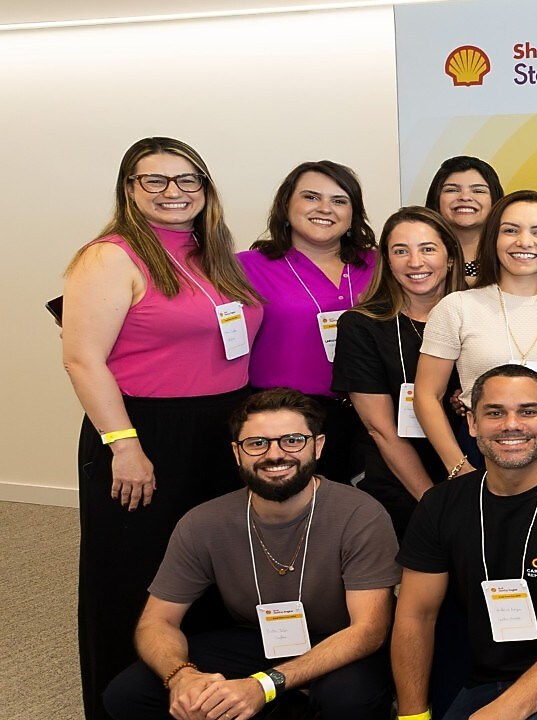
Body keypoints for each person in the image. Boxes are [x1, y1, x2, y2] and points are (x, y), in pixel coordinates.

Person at [62, 136, 264, 720]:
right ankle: (124, 704)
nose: (173, 193)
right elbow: (82, 358)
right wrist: (123, 445)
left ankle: (206, 699)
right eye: (155, 181)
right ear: (129, 189)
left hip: (222, 429)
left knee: (213, 575)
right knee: (139, 577)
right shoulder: (111, 256)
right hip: (145, 433)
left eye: (187, 181)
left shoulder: (214, 252)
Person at [102, 388, 400, 720]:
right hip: (260, 638)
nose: (275, 455)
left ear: (317, 446)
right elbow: (157, 621)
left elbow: (368, 630)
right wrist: (182, 676)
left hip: (339, 642)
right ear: (237, 453)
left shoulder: (361, 515)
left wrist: (264, 686)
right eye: (257, 443)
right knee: (128, 694)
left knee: (347, 701)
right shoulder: (203, 522)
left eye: (292, 440)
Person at [393, 364, 537, 720]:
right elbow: (415, 616)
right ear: (472, 424)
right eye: (494, 413)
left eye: (528, 411)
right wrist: (413, 715)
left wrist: (505, 711)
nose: (511, 425)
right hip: (483, 676)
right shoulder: (441, 503)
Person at [416, 190, 537, 481]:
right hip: (482, 445)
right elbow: (426, 394)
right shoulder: (456, 307)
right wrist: (457, 467)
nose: (525, 242)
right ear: (492, 239)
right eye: (511, 230)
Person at [331, 206, 468, 538]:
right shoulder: (361, 325)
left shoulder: (477, 314)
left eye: (427, 249)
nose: (415, 262)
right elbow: (382, 431)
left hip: (471, 463)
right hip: (396, 474)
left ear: (450, 257)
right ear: (388, 262)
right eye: (400, 251)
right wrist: (431, 499)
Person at [239, 160, 378, 483]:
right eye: (311, 197)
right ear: (286, 205)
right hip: (282, 422)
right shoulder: (247, 267)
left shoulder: (378, 264)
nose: (325, 209)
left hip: (367, 415)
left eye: (339, 200)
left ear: (353, 213)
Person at [424, 155, 506, 286]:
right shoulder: (418, 257)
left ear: (495, 199)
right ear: (436, 197)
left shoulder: (509, 255)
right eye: (452, 190)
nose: (465, 197)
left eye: (478, 191)